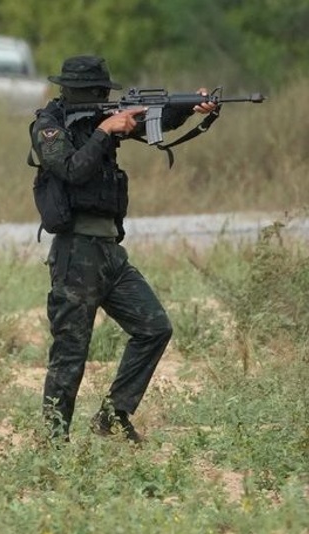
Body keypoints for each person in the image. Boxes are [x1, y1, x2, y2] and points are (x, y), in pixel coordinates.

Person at [31, 55, 216, 444]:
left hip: (110, 252)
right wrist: (104, 131)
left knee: (154, 328)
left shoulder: (104, 120)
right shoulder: (48, 127)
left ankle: (113, 416)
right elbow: (70, 169)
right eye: (96, 92)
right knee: (71, 351)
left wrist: (187, 108)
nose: (102, 97)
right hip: (74, 253)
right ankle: (51, 442)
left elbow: (155, 122)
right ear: (73, 90)